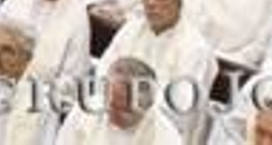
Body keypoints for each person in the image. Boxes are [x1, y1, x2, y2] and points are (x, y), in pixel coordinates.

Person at [96, 0, 216, 142]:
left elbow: (181, 106)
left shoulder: (195, 48)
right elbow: (103, 71)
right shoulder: (131, 29)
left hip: (160, 133)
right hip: (114, 118)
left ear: (179, 3)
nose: (151, 3)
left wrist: (131, 102)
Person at [53, 57, 181, 144]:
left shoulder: (167, 138)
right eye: (111, 105)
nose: (114, 114)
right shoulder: (85, 110)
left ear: (147, 106)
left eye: (124, 109)